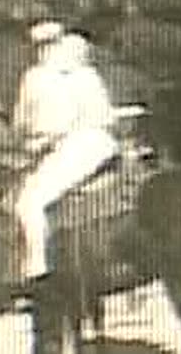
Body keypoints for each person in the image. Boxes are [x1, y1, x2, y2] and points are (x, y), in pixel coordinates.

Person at [12, 23, 118, 281]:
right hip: (100, 143)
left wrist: (33, 140)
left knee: (29, 202)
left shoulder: (37, 77)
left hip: (76, 147)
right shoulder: (84, 73)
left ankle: (37, 268)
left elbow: (23, 123)